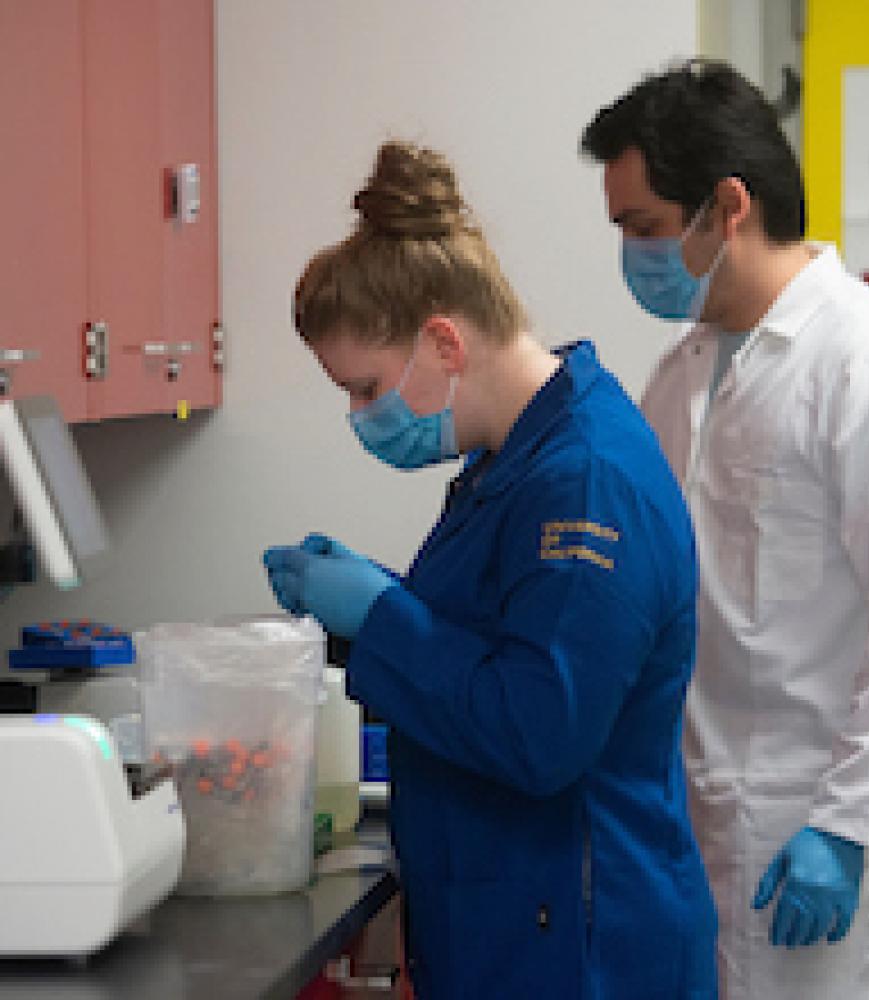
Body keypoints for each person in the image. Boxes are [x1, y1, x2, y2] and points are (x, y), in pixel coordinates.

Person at [261, 140, 717, 999]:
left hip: (583, 947)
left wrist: (382, 618)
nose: (360, 418)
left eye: (365, 388)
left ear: (442, 340)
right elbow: (505, 634)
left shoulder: (585, 485)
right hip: (517, 918)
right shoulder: (516, 460)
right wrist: (379, 602)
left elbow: (539, 732)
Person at [581, 59, 869, 1000]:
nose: (631, 254)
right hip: (698, 816)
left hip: (822, 829)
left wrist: (845, 825)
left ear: (728, 207)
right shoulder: (681, 374)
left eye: (645, 228)